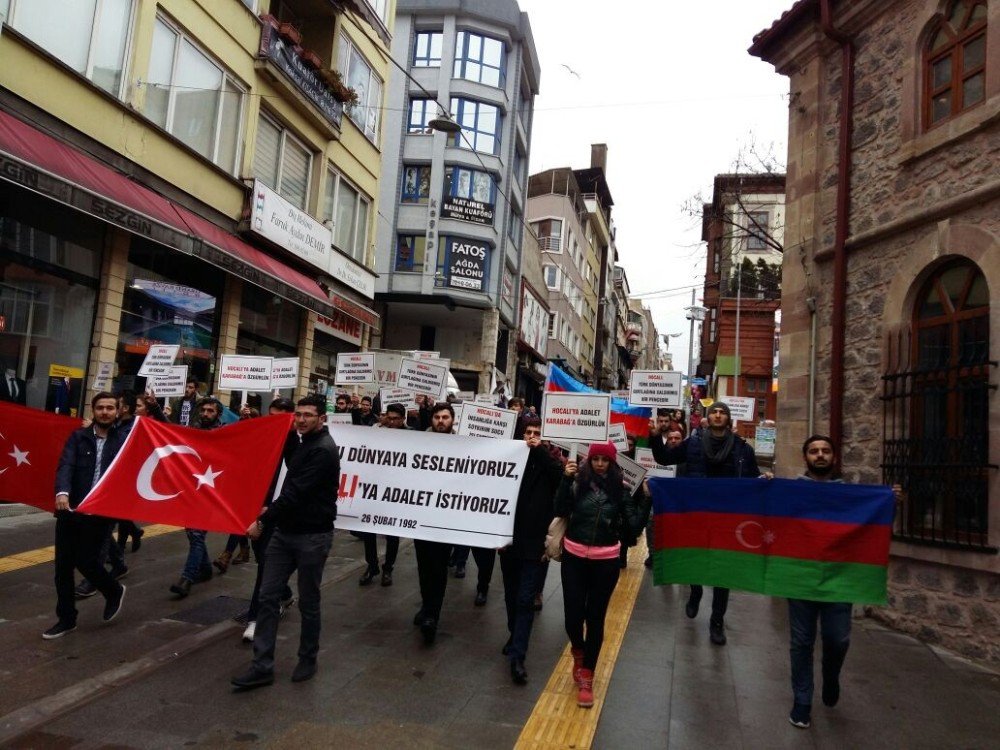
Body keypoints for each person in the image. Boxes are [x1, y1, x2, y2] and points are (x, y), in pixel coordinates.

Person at [785, 435, 902, 729]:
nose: (820, 455)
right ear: (805, 458)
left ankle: (831, 675)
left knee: (838, 639)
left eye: (825, 451)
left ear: (834, 458)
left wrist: (891, 502)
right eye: (814, 451)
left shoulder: (850, 495)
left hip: (840, 578)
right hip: (800, 578)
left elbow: (873, 525)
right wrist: (765, 485)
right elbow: (766, 516)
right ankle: (802, 700)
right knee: (801, 642)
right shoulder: (790, 492)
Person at [231, 395, 339, 689]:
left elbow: (295, 494)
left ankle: (308, 657)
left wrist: (263, 520)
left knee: (309, 601)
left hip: (312, 537)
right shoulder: (302, 442)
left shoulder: (323, 451)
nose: (301, 420)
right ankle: (262, 665)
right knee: (267, 596)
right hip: (285, 534)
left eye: (308, 415)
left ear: (322, 418)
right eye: (298, 415)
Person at [651, 401, 768, 645]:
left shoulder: (741, 448)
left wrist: (764, 479)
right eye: (713, 411)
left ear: (728, 419)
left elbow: (753, 478)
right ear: (708, 416)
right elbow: (664, 458)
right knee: (696, 559)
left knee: (723, 573)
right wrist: (655, 436)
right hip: (697, 515)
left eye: (722, 412)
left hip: (727, 519)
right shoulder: (693, 443)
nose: (717, 415)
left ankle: (717, 621)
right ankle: (695, 592)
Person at [555, 441, 649, 707]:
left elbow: (633, 529)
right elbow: (560, 509)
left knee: (595, 619)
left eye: (604, 460)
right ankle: (578, 650)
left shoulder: (621, 492)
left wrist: (646, 500)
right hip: (573, 558)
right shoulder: (576, 484)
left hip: (605, 563)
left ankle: (587, 675)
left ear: (612, 463)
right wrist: (564, 480)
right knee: (573, 618)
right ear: (589, 460)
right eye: (595, 459)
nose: (599, 464)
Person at [44, 392, 127, 639]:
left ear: (117, 411)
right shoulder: (78, 438)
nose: (104, 412)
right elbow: (66, 465)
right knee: (63, 568)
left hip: (100, 513)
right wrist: (62, 492)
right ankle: (67, 619)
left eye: (110, 408)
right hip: (71, 511)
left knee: (87, 561)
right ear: (93, 410)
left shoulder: (124, 441)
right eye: (100, 407)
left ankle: (113, 591)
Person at [499, 416, 562, 685]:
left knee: (525, 599)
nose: (532, 436)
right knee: (511, 596)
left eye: (537, 433)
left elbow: (559, 478)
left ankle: (518, 656)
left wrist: (540, 450)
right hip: (509, 541)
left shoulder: (549, 463)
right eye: (528, 432)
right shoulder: (509, 458)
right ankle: (514, 635)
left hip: (534, 544)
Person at [241, 397, 297, 643]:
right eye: (272, 417)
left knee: (266, 566)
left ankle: (256, 618)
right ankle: (283, 592)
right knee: (264, 560)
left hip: (279, 515)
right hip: (256, 511)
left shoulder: (298, 445)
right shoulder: (260, 439)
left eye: (282, 419)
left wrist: (267, 513)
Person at [412, 402, 458, 645]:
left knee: (438, 569)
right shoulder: (421, 442)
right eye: (437, 417)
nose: (441, 421)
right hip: (422, 518)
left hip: (445, 520)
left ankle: (432, 615)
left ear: (453, 420)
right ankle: (426, 605)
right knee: (423, 566)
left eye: (445, 417)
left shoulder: (463, 445)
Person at [169, 397, 224, 598]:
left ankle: (187, 578)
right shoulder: (194, 431)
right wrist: (156, 409)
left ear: (218, 413)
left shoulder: (225, 434)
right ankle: (206, 569)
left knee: (198, 534)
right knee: (192, 533)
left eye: (210, 411)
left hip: (212, 491)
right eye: (203, 410)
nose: (206, 414)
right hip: (192, 489)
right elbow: (169, 432)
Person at [358, 403, 404, 587]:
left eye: (395, 419)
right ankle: (372, 565)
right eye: (388, 417)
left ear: (402, 420)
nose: (391, 421)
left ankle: (388, 568)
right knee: (368, 530)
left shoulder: (412, 436)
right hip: (374, 490)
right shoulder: (375, 432)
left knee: (392, 533)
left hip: (396, 492)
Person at [644, 426, 685, 568]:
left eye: (677, 438)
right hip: (659, 498)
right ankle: (653, 554)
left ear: (683, 440)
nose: (673, 441)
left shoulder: (687, 458)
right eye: (670, 438)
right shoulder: (659, 454)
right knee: (651, 523)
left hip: (680, 501)